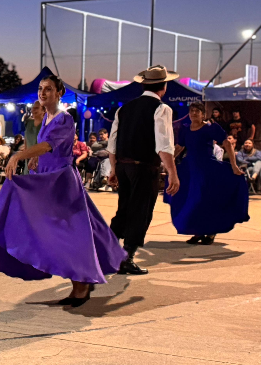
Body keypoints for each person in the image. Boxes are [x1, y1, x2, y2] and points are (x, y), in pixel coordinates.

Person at [0, 75, 126, 307]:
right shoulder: (46, 117)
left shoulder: (64, 119)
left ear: (59, 93)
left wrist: (19, 155)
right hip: (45, 179)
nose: (42, 92)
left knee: (70, 233)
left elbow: (49, 145)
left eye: (48, 89)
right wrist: (34, 158)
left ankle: (82, 284)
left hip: (60, 183)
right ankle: (84, 276)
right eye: (40, 89)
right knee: (50, 229)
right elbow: (44, 148)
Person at [107, 65, 180, 275]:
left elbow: (112, 143)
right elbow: (164, 145)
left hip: (123, 166)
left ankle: (106, 252)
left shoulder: (124, 109)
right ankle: (126, 257)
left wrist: (113, 169)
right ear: (163, 86)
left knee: (124, 209)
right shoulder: (161, 109)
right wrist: (173, 173)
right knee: (141, 211)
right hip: (144, 168)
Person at [165, 102, 249, 245]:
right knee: (189, 199)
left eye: (197, 111)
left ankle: (210, 232)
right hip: (190, 168)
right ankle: (197, 231)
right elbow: (179, 147)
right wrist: (169, 161)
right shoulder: (185, 129)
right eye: (191, 111)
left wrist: (234, 166)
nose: (194, 113)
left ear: (203, 114)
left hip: (207, 169)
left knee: (205, 200)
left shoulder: (211, 128)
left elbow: (227, 143)